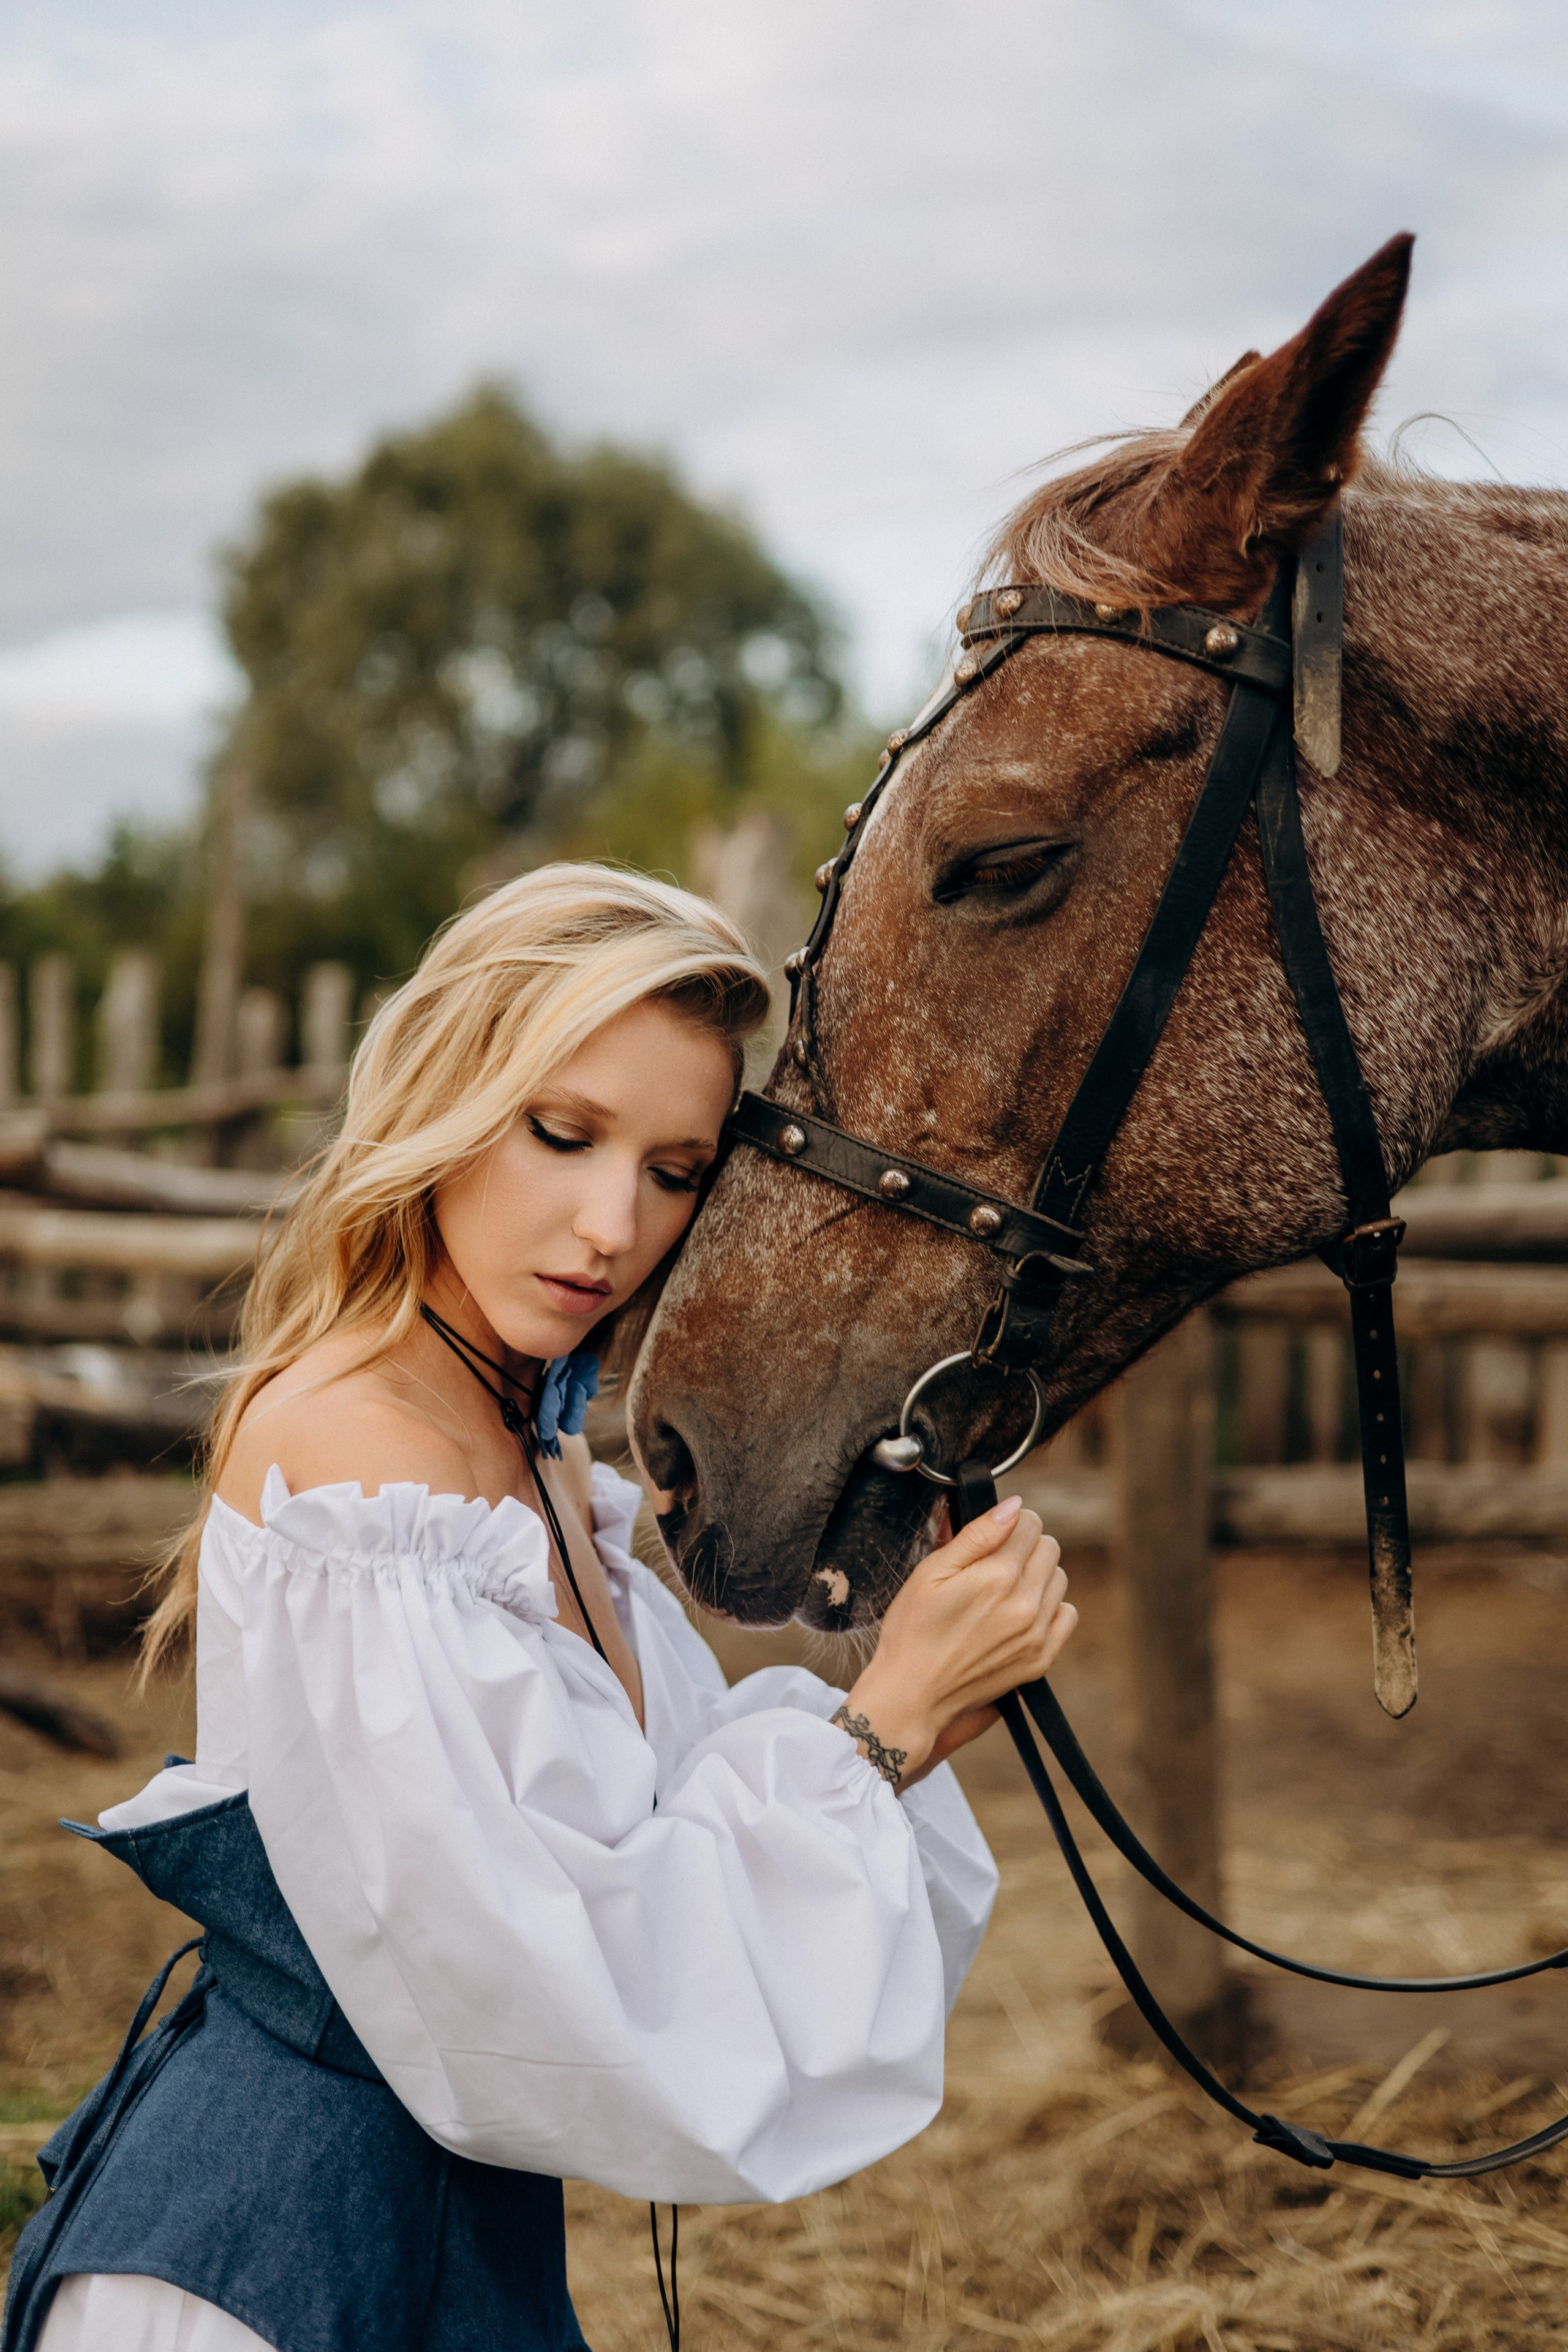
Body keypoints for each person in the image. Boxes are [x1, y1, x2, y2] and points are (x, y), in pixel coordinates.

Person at [3, 865, 1077, 2352]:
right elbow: (541, 1980)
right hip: (263, 2259)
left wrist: (913, 1697)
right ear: (445, 1099)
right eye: (561, 1135)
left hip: (449, 2244)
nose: (607, 1226)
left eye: (674, 1169)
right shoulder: (363, 1462)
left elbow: (646, 1839)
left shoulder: (540, 1452)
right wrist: (879, 1729)